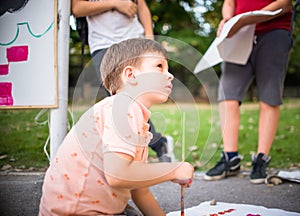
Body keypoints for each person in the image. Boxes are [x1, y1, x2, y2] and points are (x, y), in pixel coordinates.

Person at [39, 38, 194, 215]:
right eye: (159, 66)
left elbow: (140, 192)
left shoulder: (132, 115)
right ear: (131, 75)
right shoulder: (122, 108)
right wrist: (174, 169)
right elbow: (118, 175)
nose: (169, 75)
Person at [71, 0, 175, 162]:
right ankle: (157, 143)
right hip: (102, 44)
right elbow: (77, 9)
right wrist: (115, 3)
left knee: (135, 99)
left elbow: (142, 7)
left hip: (134, 40)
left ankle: (138, 149)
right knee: (119, 99)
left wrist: (150, 41)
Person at [204, 0, 293, 184]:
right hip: (239, 34)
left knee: (269, 96)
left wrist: (247, 19)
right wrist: (229, 20)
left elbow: (284, 3)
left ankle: (261, 159)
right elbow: (229, 2)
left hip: (274, 31)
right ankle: (230, 158)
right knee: (227, 94)